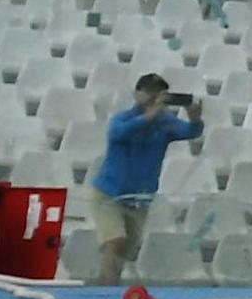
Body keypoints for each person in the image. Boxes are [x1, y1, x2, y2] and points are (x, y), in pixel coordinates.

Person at [84, 74, 202, 285]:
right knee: (115, 241)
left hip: (139, 199)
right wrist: (150, 115)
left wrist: (195, 118)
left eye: (160, 95)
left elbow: (190, 132)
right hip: (109, 195)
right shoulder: (123, 119)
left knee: (122, 252)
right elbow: (118, 134)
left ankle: (106, 287)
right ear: (138, 94)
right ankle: (104, 294)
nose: (155, 99)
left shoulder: (166, 123)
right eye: (151, 93)